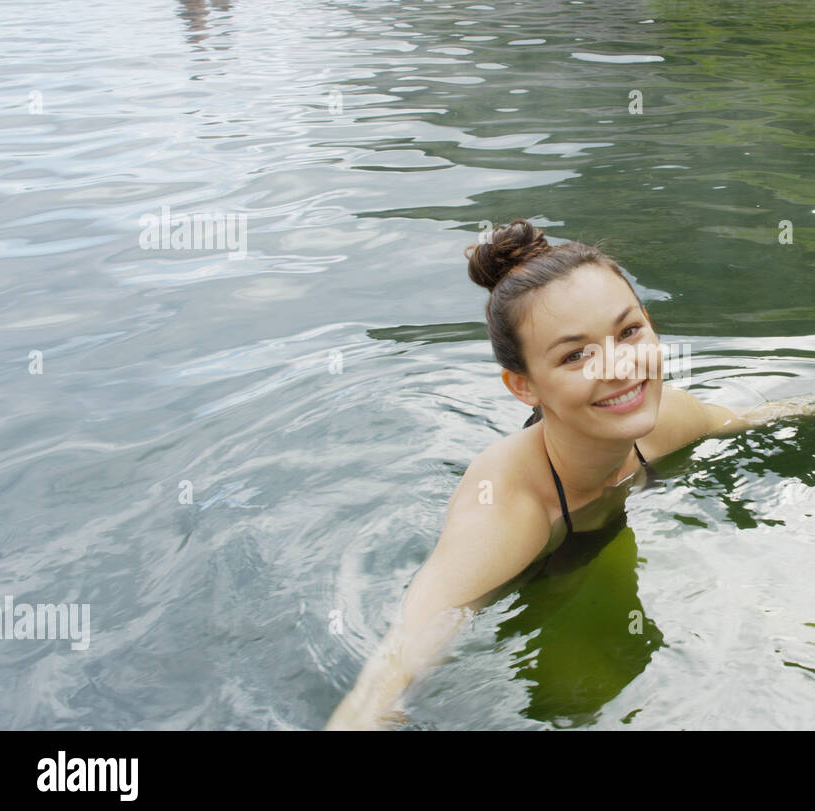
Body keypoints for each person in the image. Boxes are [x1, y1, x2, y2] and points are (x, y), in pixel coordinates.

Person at [325, 219, 760, 730]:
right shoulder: (506, 512)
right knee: (578, 699)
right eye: (575, 355)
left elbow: (763, 418)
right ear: (523, 386)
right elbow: (392, 671)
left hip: (600, 539)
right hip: (540, 573)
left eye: (629, 331)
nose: (619, 367)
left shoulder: (666, 423)